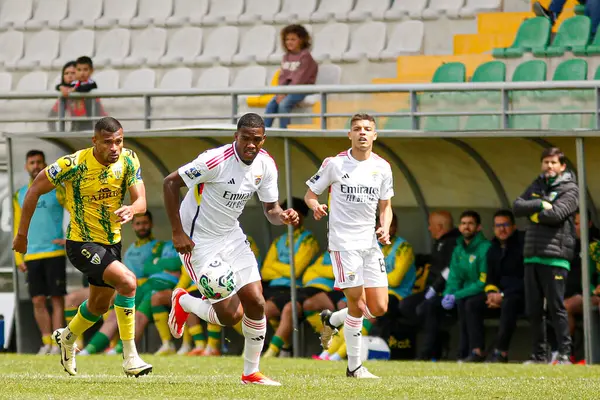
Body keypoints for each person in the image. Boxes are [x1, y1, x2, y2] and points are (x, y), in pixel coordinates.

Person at [164, 112, 299, 386]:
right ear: (236, 136)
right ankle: (184, 301)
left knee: (257, 302)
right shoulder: (215, 161)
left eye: (257, 140)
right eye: (245, 138)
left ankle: (251, 372)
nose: (251, 144)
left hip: (231, 236)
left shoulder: (266, 165)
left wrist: (282, 216)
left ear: (264, 139)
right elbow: (170, 183)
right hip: (198, 242)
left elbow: (271, 209)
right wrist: (177, 232)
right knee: (229, 316)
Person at [12, 117, 152, 377]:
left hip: (112, 243)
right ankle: (130, 357)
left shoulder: (129, 159)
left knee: (98, 306)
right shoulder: (73, 164)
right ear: (94, 141)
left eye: (119, 142)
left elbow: (141, 199)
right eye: (108, 142)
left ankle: (67, 338)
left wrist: (132, 209)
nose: (114, 148)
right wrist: (22, 236)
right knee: (128, 282)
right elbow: (33, 191)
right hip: (81, 243)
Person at [305, 113, 394, 379]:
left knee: (378, 308)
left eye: (368, 129)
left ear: (375, 135)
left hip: (370, 244)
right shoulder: (335, 164)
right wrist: (316, 206)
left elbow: (386, 206)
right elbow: (311, 193)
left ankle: (332, 320)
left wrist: (385, 227)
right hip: (344, 244)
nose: (363, 133)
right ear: (350, 135)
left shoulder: (383, 167)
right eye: (357, 129)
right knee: (357, 303)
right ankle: (354, 367)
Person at [513, 147, 579, 364]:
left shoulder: (571, 189)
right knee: (533, 310)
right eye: (545, 162)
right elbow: (517, 206)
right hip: (532, 255)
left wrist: (532, 213)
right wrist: (541, 204)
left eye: (553, 163)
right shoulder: (537, 184)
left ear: (562, 166)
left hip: (555, 256)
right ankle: (539, 356)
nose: (549, 166)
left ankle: (564, 354)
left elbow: (556, 215)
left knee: (556, 307)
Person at [417, 211, 490, 361]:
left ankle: (466, 353)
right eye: (463, 224)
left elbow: (482, 282)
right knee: (431, 304)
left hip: (479, 293)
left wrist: (455, 295)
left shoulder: (485, 248)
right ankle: (427, 354)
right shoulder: (458, 249)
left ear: (479, 227)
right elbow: (453, 278)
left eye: (470, 224)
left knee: (466, 303)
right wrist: (448, 294)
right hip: (459, 293)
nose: (466, 227)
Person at [13, 150, 66, 355]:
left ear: (45, 165)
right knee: (37, 300)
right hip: (32, 255)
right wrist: (19, 256)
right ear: (26, 166)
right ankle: (46, 343)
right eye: (32, 162)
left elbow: (76, 211)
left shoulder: (58, 190)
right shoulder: (20, 194)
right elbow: (19, 226)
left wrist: (70, 237)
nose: (35, 166)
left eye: (39, 162)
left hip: (54, 253)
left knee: (56, 299)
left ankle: (57, 342)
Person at [462, 209, 525, 363]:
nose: (501, 229)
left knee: (509, 303)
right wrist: (491, 294)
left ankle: (501, 352)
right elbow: (490, 277)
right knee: (471, 303)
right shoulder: (493, 248)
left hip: (519, 295)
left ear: (514, 227)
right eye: (498, 226)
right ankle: (477, 351)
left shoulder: (523, 246)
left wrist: (502, 296)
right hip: (498, 294)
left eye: (505, 225)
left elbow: (526, 279)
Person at [262, 197, 320, 357]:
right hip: (273, 287)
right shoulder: (279, 240)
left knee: (266, 310)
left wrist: (276, 266)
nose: (291, 217)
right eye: (286, 214)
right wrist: (285, 269)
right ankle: (286, 348)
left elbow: (295, 271)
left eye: (296, 214)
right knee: (250, 305)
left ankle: (271, 353)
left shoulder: (309, 239)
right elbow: (265, 271)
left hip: (294, 289)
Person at [399, 211, 460, 324]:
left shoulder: (454, 243)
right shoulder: (440, 242)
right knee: (405, 305)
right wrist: (413, 258)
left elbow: (450, 269)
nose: (429, 228)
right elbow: (435, 259)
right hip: (430, 290)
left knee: (421, 308)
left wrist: (435, 288)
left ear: (439, 227)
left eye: (431, 225)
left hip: (443, 292)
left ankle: (436, 335)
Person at [264, 24, 318, 129]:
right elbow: (282, 77)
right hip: (287, 90)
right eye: (287, 39)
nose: (289, 42)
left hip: (302, 88)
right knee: (271, 104)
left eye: (293, 39)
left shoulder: (305, 57)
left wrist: (285, 93)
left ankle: (284, 132)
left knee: (284, 104)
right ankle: (263, 132)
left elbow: (300, 78)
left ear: (302, 40)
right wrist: (280, 92)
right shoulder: (286, 57)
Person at [48, 61, 77, 132]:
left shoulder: (86, 89)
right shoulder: (64, 93)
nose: (69, 76)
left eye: (73, 73)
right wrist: (54, 133)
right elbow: (51, 116)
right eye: (66, 73)